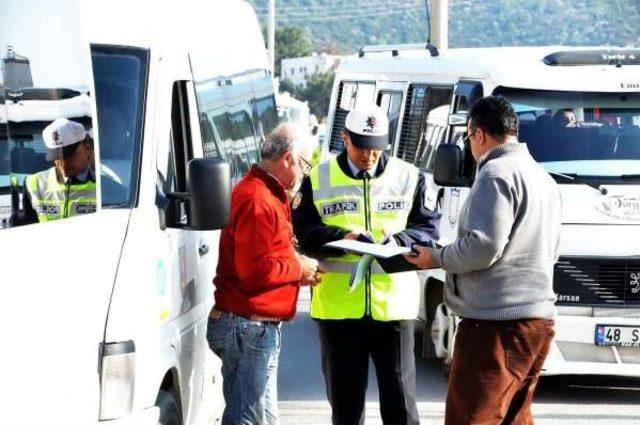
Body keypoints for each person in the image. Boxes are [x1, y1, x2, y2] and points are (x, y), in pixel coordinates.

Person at [406, 96, 562, 425]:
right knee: (515, 418)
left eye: (467, 138)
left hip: (496, 323)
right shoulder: (542, 177)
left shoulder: (495, 172)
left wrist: (436, 256)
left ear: (478, 134)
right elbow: (553, 250)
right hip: (538, 320)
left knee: (472, 417)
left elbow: (483, 247)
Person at [293, 104, 440, 425]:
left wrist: (399, 241)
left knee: (401, 405)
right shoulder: (318, 178)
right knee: (346, 407)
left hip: (394, 310)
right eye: (361, 147)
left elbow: (429, 229)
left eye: (376, 149)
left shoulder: (408, 176)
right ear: (344, 138)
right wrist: (342, 236)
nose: (369, 156)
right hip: (338, 311)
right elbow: (303, 234)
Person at [207, 123, 322, 425]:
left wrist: (296, 265)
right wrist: (298, 268)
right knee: (248, 418)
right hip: (248, 325)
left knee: (262, 419)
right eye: (305, 164)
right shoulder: (258, 199)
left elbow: (266, 256)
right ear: (287, 158)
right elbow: (256, 270)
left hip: (253, 325)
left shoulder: (263, 194)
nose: (304, 174)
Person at [17, 117, 96, 225]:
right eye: (56, 157)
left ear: (87, 148)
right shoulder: (34, 184)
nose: (62, 164)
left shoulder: (106, 188)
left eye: (68, 156)